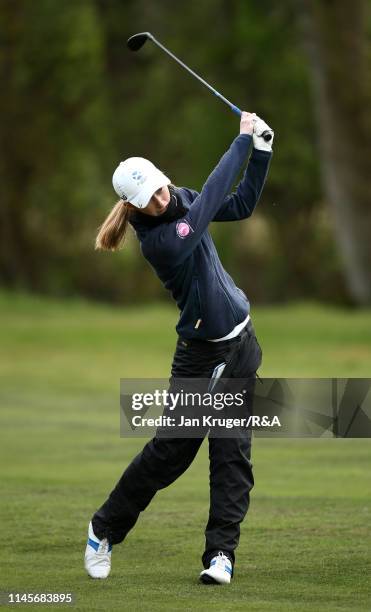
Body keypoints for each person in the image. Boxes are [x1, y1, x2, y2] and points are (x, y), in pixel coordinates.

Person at [84, 111, 273, 584]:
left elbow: (240, 204)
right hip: (201, 356)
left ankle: (220, 555)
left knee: (233, 452)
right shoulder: (162, 243)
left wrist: (262, 154)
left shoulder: (181, 201)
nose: (162, 200)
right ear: (134, 206)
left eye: (162, 189)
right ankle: (103, 530)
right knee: (172, 452)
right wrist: (241, 140)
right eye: (151, 199)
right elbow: (209, 201)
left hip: (242, 347)